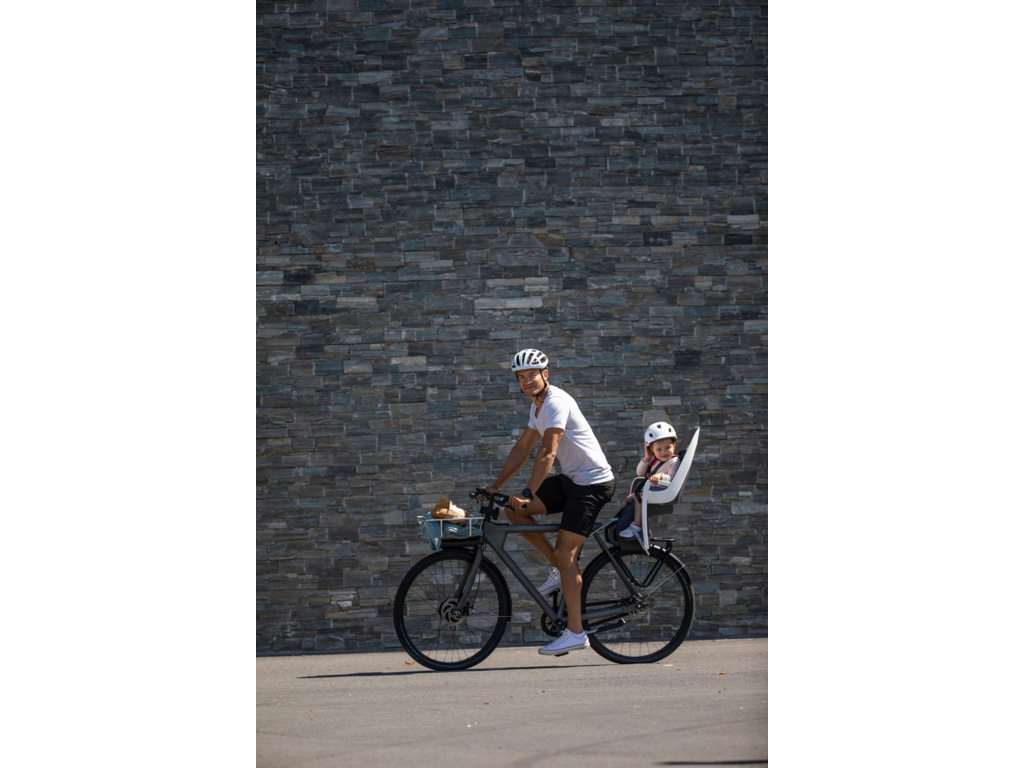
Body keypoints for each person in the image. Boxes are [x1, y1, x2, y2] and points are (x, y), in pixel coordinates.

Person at [483, 348, 616, 656]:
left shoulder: (556, 402)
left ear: (545, 374)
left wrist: (529, 492)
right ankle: (558, 568)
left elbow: (548, 452)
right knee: (513, 510)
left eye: (532, 374)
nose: (527, 380)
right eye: (521, 377)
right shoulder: (537, 407)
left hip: (592, 484)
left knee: (566, 555)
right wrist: (495, 486)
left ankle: (576, 633)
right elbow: (522, 448)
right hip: (572, 480)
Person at [619, 422, 681, 552]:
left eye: (668, 447)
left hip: (664, 492)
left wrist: (660, 476)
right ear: (652, 450)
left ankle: (637, 526)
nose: (664, 452)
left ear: (674, 446)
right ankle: (628, 523)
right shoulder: (654, 460)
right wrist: (647, 458)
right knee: (631, 498)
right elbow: (640, 473)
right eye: (659, 449)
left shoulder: (674, 461)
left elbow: (673, 479)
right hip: (653, 490)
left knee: (639, 498)